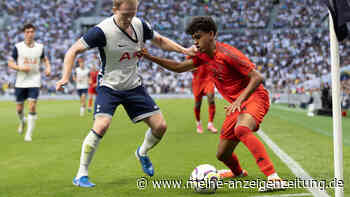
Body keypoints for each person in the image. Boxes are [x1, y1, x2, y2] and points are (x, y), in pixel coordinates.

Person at [56, 0, 195, 188]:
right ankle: (81, 174)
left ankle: (142, 153)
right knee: (102, 125)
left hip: (134, 86)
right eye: (125, 14)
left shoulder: (140, 24)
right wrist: (65, 76)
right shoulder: (101, 31)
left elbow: (160, 41)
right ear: (115, 9)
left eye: (133, 13)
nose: (129, 18)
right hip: (109, 86)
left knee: (160, 127)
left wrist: (184, 50)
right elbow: (73, 50)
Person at [141, 16, 285, 192]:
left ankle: (274, 178)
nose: (196, 42)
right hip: (237, 105)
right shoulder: (202, 56)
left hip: (255, 96)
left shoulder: (228, 54)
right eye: (193, 38)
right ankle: (238, 173)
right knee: (222, 154)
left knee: (241, 129)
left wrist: (239, 100)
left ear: (211, 34)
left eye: (198, 36)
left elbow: (257, 77)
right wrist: (151, 57)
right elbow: (179, 68)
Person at [8, 23, 51, 142]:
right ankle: (22, 121)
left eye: (32, 31)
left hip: (34, 80)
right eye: (27, 32)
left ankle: (28, 134)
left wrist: (48, 68)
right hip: (21, 81)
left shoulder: (40, 47)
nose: (30, 34)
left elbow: (45, 59)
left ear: (34, 33)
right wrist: (20, 68)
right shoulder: (18, 47)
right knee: (19, 109)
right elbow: (10, 63)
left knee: (32, 106)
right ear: (24, 33)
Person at [191, 63, 218, 133]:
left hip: (208, 79)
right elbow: (188, 65)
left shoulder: (208, 52)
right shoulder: (193, 53)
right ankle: (198, 123)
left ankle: (210, 124)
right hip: (198, 81)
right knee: (197, 105)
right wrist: (191, 68)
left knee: (211, 100)